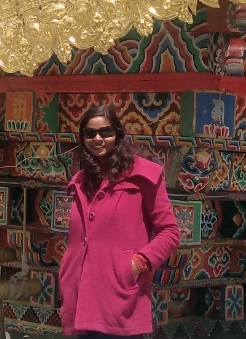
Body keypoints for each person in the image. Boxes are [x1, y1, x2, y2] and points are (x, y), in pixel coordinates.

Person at [59, 104, 181, 337]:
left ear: (118, 135)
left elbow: (170, 231)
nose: (98, 139)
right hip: (79, 296)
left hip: (119, 298)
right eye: (90, 133)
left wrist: (138, 263)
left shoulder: (143, 175)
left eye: (105, 132)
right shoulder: (80, 181)